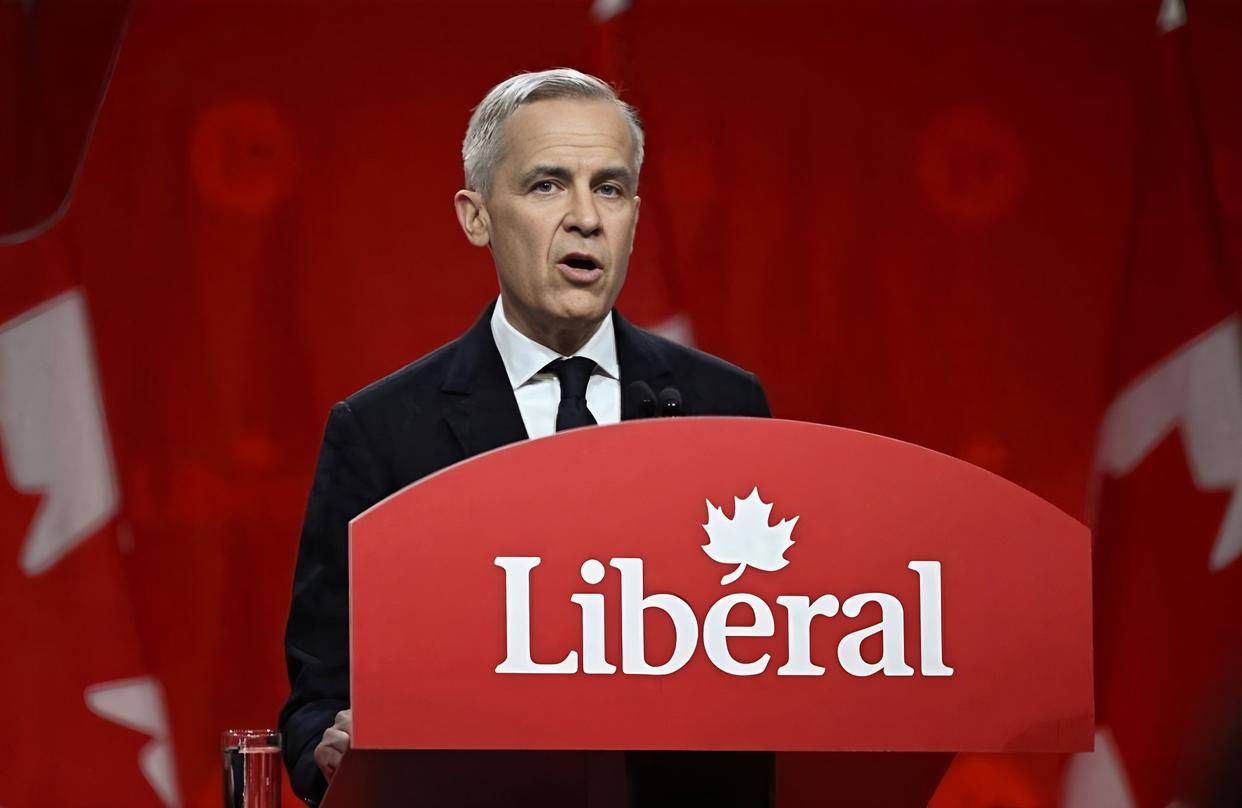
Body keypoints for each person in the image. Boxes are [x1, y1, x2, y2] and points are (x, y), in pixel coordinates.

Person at [279, 68, 773, 806]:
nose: (586, 218)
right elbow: (317, 697)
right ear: (476, 216)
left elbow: (773, 657)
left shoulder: (724, 407)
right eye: (547, 185)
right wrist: (331, 746)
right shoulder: (382, 432)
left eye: (610, 188)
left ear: (635, 216)